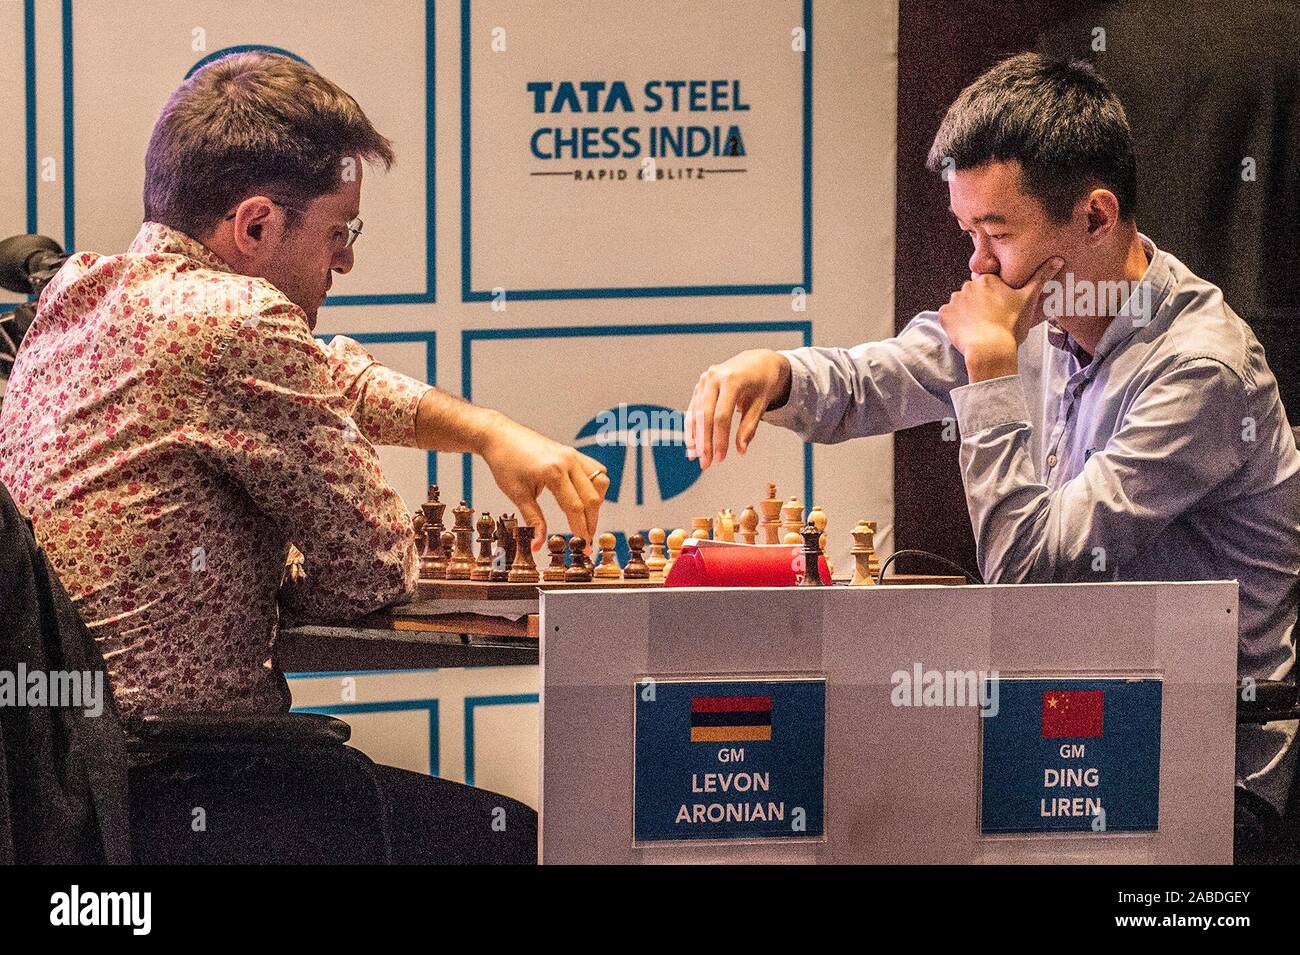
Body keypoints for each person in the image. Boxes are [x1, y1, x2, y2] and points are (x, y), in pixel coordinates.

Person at [0, 50, 610, 862]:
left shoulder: (82, 295)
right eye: (339, 231)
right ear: (256, 226)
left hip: (68, 789)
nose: (347, 259)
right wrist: (291, 557)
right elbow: (375, 567)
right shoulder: (240, 319)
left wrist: (484, 430)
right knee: (519, 841)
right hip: (182, 782)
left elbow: (326, 372)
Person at [684, 53, 1300, 839]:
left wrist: (991, 370)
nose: (976, 265)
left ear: (1096, 217)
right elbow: (888, 373)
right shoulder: (1039, 303)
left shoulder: (1199, 369)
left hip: (1204, 777)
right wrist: (776, 373)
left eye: (997, 233)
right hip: (1077, 737)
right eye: (967, 231)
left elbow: (1031, 572)